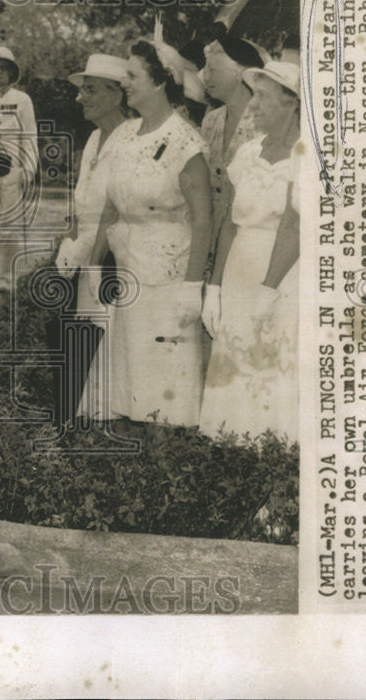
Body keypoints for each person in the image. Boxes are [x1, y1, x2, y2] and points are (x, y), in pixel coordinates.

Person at [80, 37, 212, 430]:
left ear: (159, 82)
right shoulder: (124, 135)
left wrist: (191, 288)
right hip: (127, 275)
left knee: (164, 391)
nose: (126, 84)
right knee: (127, 382)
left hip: (168, 279)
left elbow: (203, 219)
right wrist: (91, 268)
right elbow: (108, 207)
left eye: (133, 75)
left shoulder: (185, 141)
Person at [199, 61, 300, 442]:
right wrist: (215, 288)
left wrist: (268, 289)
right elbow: (230, 222)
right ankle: (232, 462)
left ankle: (269, 473)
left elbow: (294, 225)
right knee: (234, 374)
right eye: (252, 95)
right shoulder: (247, 153)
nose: (253, 105)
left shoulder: (307, 155)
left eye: (263, 97)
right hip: (240, 270)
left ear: (292, 103)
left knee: (270, 376)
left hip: (282, 275)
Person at [53, 53, 131, 426]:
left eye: (91, 91)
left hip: (110, 259)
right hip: (83, 257)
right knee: (78, 341)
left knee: (105, 343)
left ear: (117, 95)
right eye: (81, 91)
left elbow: (115, 207)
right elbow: (82, 198)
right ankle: (75, 421)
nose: (80, 99)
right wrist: (68, 236)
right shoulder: (95, 138)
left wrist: (90, 257)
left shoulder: (132, 138)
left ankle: (100, 422)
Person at [198, 37, 265, 267]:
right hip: (209, 244)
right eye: (205, 69)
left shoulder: (263, 124)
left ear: (238, 72)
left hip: (247, 245)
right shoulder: (210, 121)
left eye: (212, 69)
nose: (205, 76)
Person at [0, 45, 38, 292]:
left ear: (11, 72)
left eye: (4, 69)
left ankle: (7, 277)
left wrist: (29, 168)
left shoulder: (22, 100)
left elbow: (30, 136)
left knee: (11, 225)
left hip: (14, 165)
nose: (0, 73)